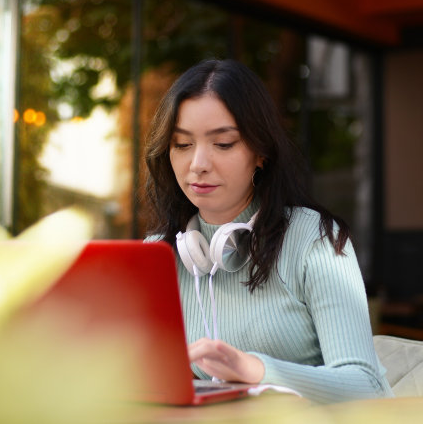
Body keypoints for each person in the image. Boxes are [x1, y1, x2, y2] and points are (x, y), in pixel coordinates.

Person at [143, 58, 393, 404]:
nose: (198, 164)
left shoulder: (315, 240)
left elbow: (369, 387)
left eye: (223, 143)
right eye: (182, 145)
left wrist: (256, 370)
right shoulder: (155, 256)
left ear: (260, 152)